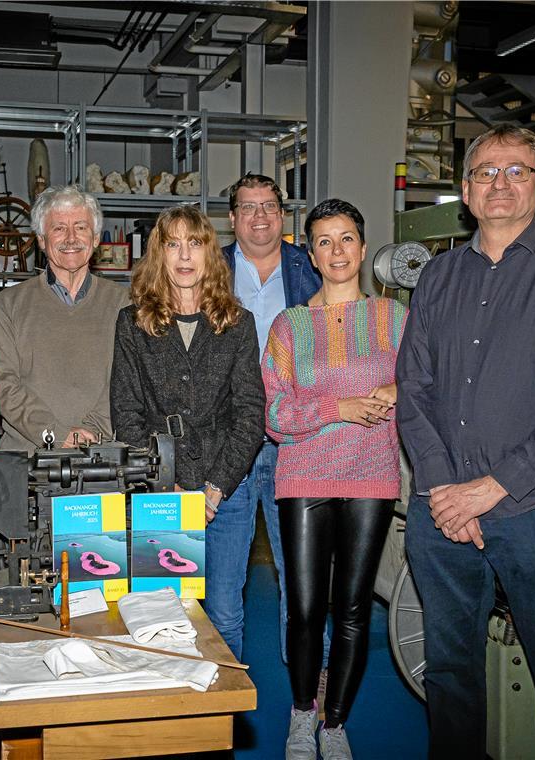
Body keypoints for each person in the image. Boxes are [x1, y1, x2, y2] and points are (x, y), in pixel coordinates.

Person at [397, 125, 535, 759]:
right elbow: (412, 390)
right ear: (465, 192)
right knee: (450, 678)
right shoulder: (437, 278)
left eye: (517, 171)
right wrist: (444, 489)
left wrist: (490, 489)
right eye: (487, 172)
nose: (501, 183)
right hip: (441, 516)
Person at [261, 198, 405, 760]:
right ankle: (302, 715)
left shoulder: (395, 318)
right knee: (304, 609)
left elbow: (425, 383)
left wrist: (397, 391)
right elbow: (274, 417)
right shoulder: (289, 325)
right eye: (324, 241)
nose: (337, 251)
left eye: (346, 238)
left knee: (352, 610)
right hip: (305, 477)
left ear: (364, 249)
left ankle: (335, 723)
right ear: (311, 253)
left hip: (371, 474)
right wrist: (336, 407)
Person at [111, 204, 265, 658]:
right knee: (162, 616)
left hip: (227, 493)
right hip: (159, 490)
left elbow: (250, 415)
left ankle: (222, 722)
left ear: (209, 254)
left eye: (194, 243)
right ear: (158, 254)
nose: (183, 255)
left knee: (224, 614)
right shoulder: (132, 324)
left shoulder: (238, 324)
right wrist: (165, 487)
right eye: (172, 244)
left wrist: (214, 490)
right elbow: (127, 413)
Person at [222, 173, 322, 665]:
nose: (259, 216)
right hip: (227, 444)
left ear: (282, 215)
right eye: (247, 207)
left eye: (268, 206)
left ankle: (316, 706)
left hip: (295, 441)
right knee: (223, 588)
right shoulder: (210, 271)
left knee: (302, 582)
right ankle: (220, 702)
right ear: (233, 218)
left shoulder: (311, 269)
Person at [0, 185, 130, 452]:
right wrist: (54, 432)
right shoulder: (8, 305)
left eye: (80, 227)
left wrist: (90, 437)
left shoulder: (124, 304)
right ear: (41, 239)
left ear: (96, 238)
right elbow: (2, 383)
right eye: (59, 228)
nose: (71, 238)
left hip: (101, 461)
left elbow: (128, 382)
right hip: (28, 462)